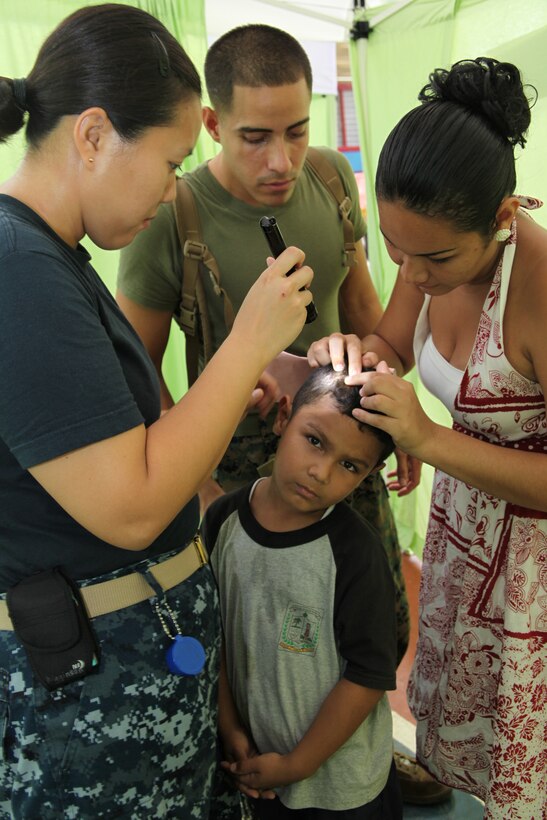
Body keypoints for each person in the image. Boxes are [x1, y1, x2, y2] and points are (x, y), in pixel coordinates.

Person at [0, 5, 313, 818]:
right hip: (89, 720)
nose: (175, 187)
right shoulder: (16, 267)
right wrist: (245, 343)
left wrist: (231, 385)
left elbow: (123, 444)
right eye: (172, 161)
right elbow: (132, 506)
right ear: (95, 134)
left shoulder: (52, 256)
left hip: (134, 687)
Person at [116, 18, 413, 697]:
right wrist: (200, 491)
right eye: (255, 136)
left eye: (297, 130)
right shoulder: (171, 216)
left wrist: (398, 411)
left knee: (370, 628)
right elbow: (134, 375)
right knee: (264, 652)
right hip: (236, 473)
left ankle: (362, 774)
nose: (280, 160)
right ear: (214, 125)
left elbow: (366, 316)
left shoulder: (333, 179)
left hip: (347, 451)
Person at [308, 57, 547, 820]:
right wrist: (349, 359)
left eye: (433, 258)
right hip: (465, 541)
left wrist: (428, 438)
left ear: (502, 218)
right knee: (471, 744)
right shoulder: (426, 244)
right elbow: (391, 341)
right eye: (394, 247)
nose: (410, 272)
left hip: (531, 573)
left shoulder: (538, 290)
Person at [202, 365, 402, 819]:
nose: (319, 472)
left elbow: (368, 675)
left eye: (349, 465)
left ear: (369, 472)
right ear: (283, 417)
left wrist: (298, 763)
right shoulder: (222, 521)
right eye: (314, 440)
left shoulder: (355, 554)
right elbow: (215, 633)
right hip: (253, 765)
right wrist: (230, 727)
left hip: (339, 790)